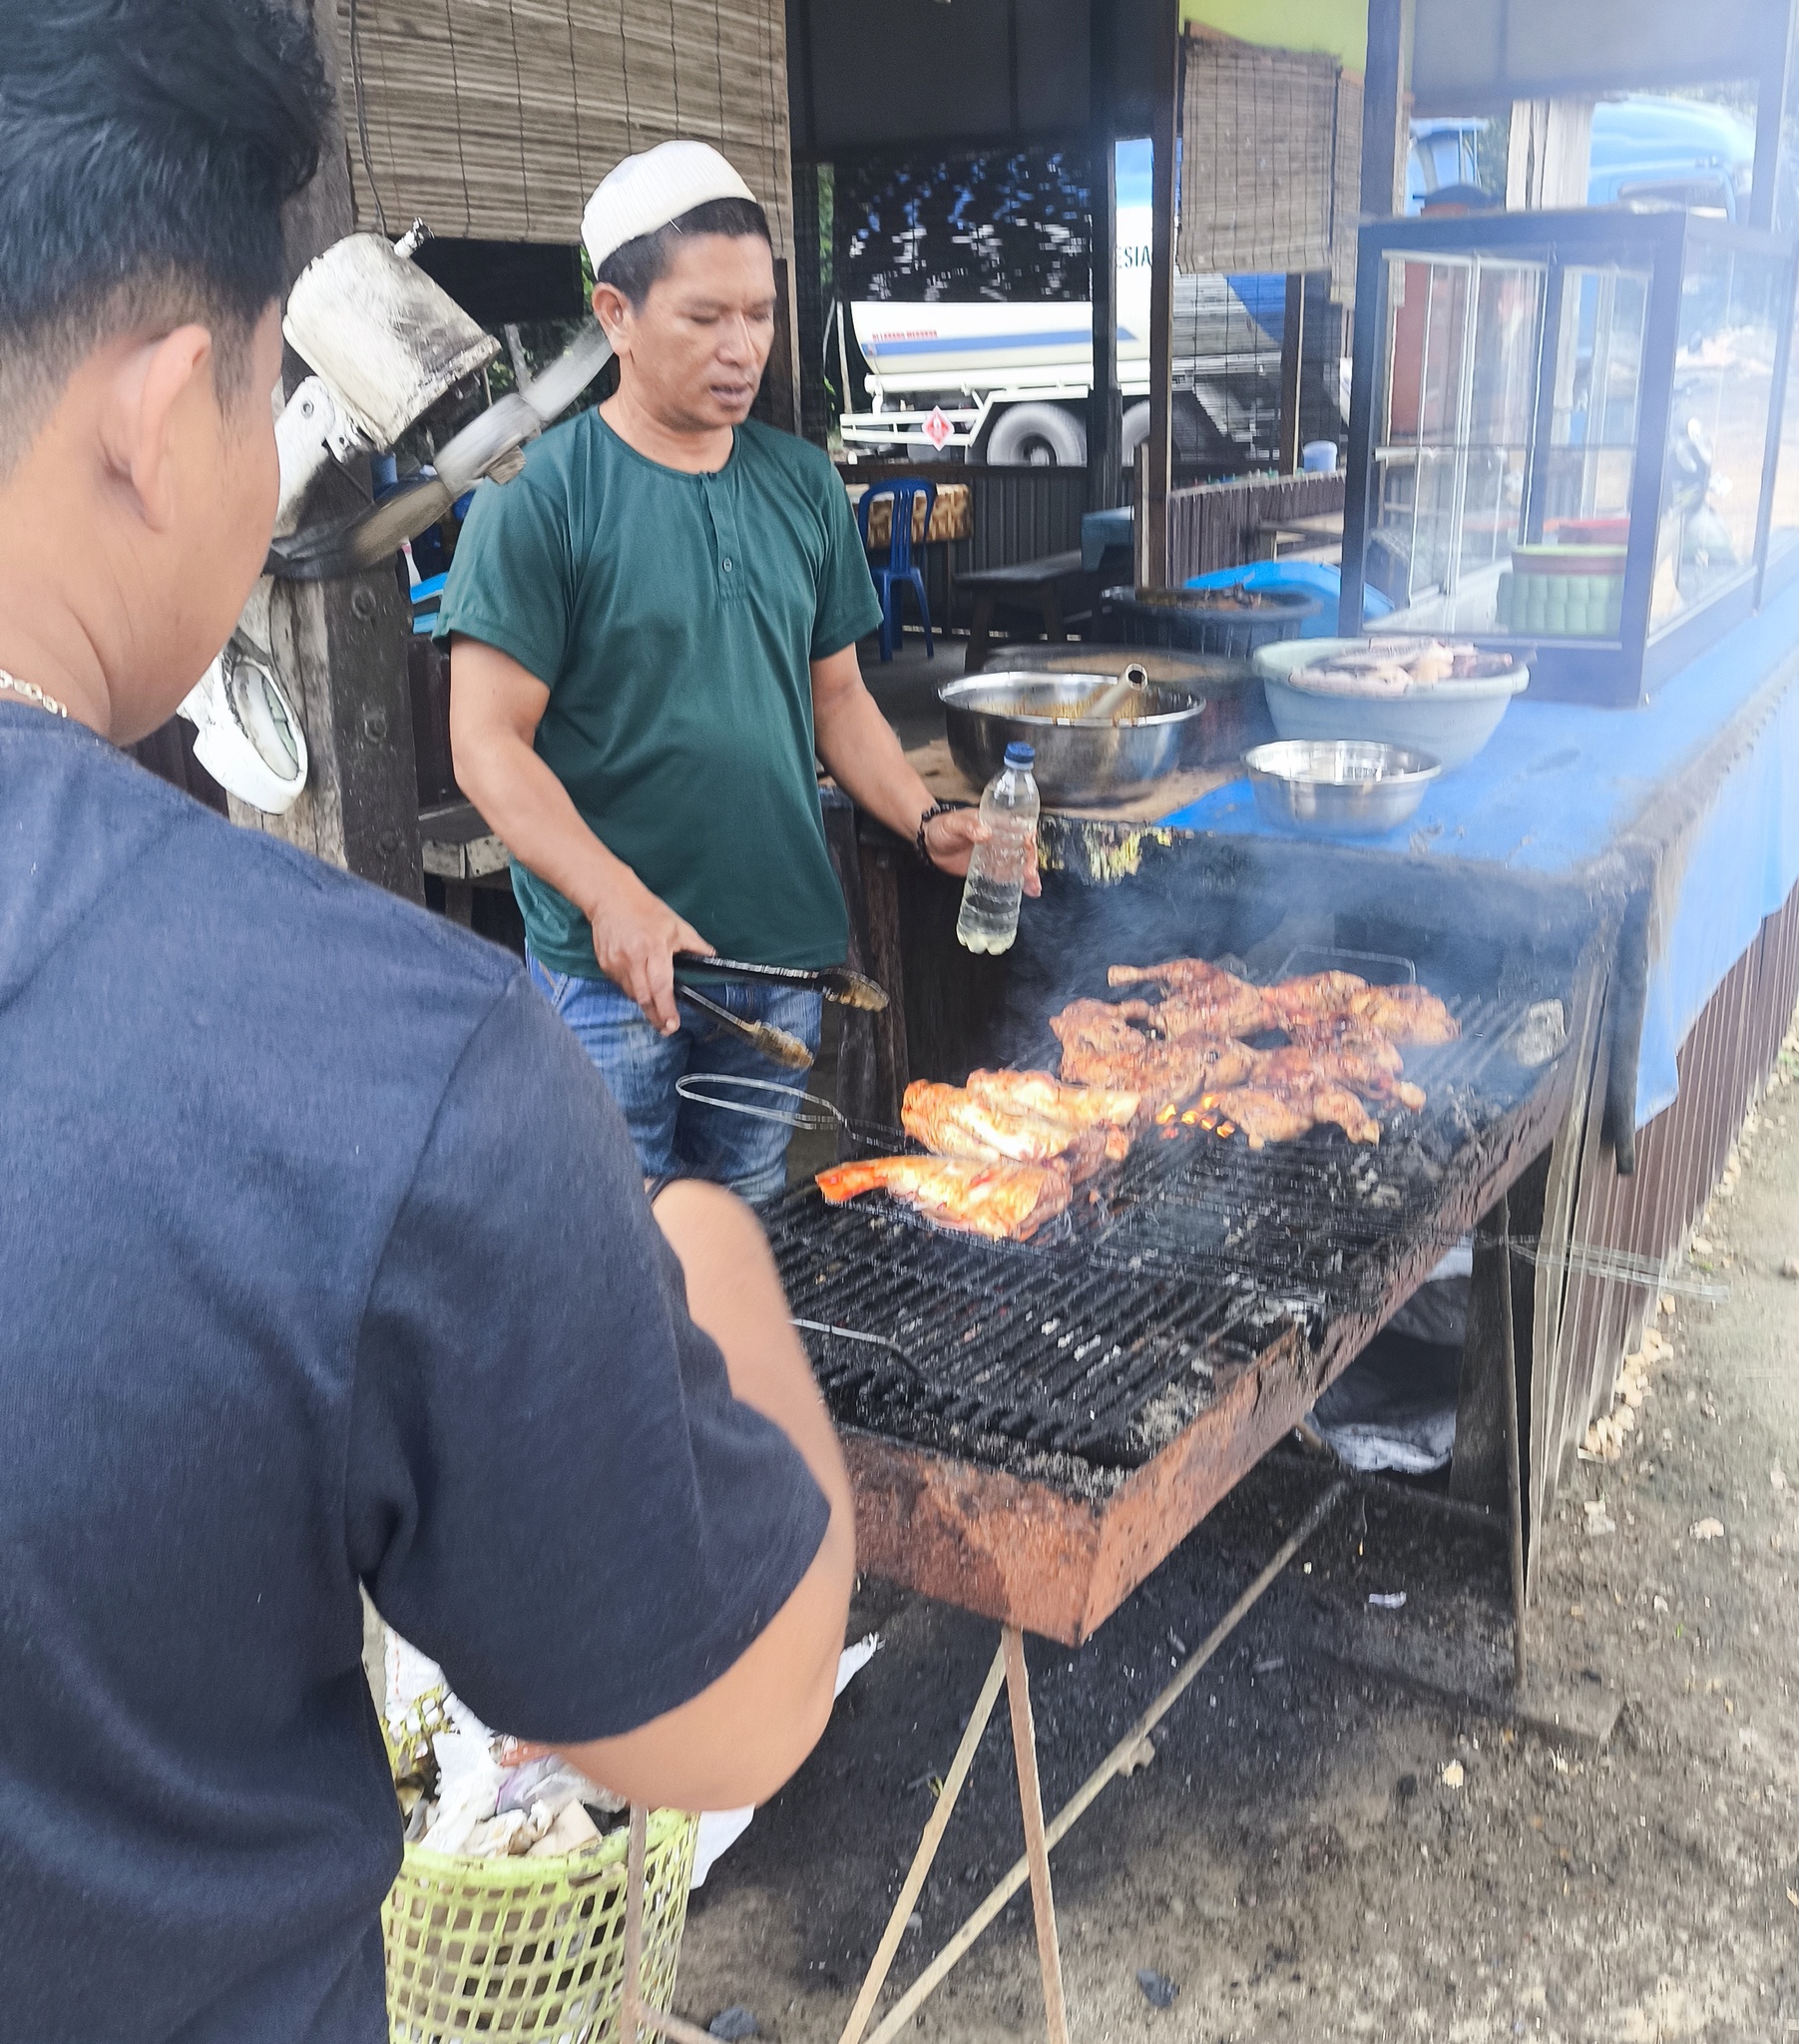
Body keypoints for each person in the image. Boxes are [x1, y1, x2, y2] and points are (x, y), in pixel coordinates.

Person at [0, 7, 853, 2039]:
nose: (738, 345)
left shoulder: (794, 492)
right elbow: (728, 1711)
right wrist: (716, 1253)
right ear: (164, 408)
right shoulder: (382, 1064)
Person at [443, 142, 1029, 1201]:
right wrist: (612, 899)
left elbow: (836, 697)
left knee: (749, 1226)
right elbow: (486, 743)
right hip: (609, 972)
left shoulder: (800, 484)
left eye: (758, 314)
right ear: (615, 314)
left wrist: (922, 817)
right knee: (619, 1246)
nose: (742, 346)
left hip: (777, 959)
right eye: (705, 317)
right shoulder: (537, 498)